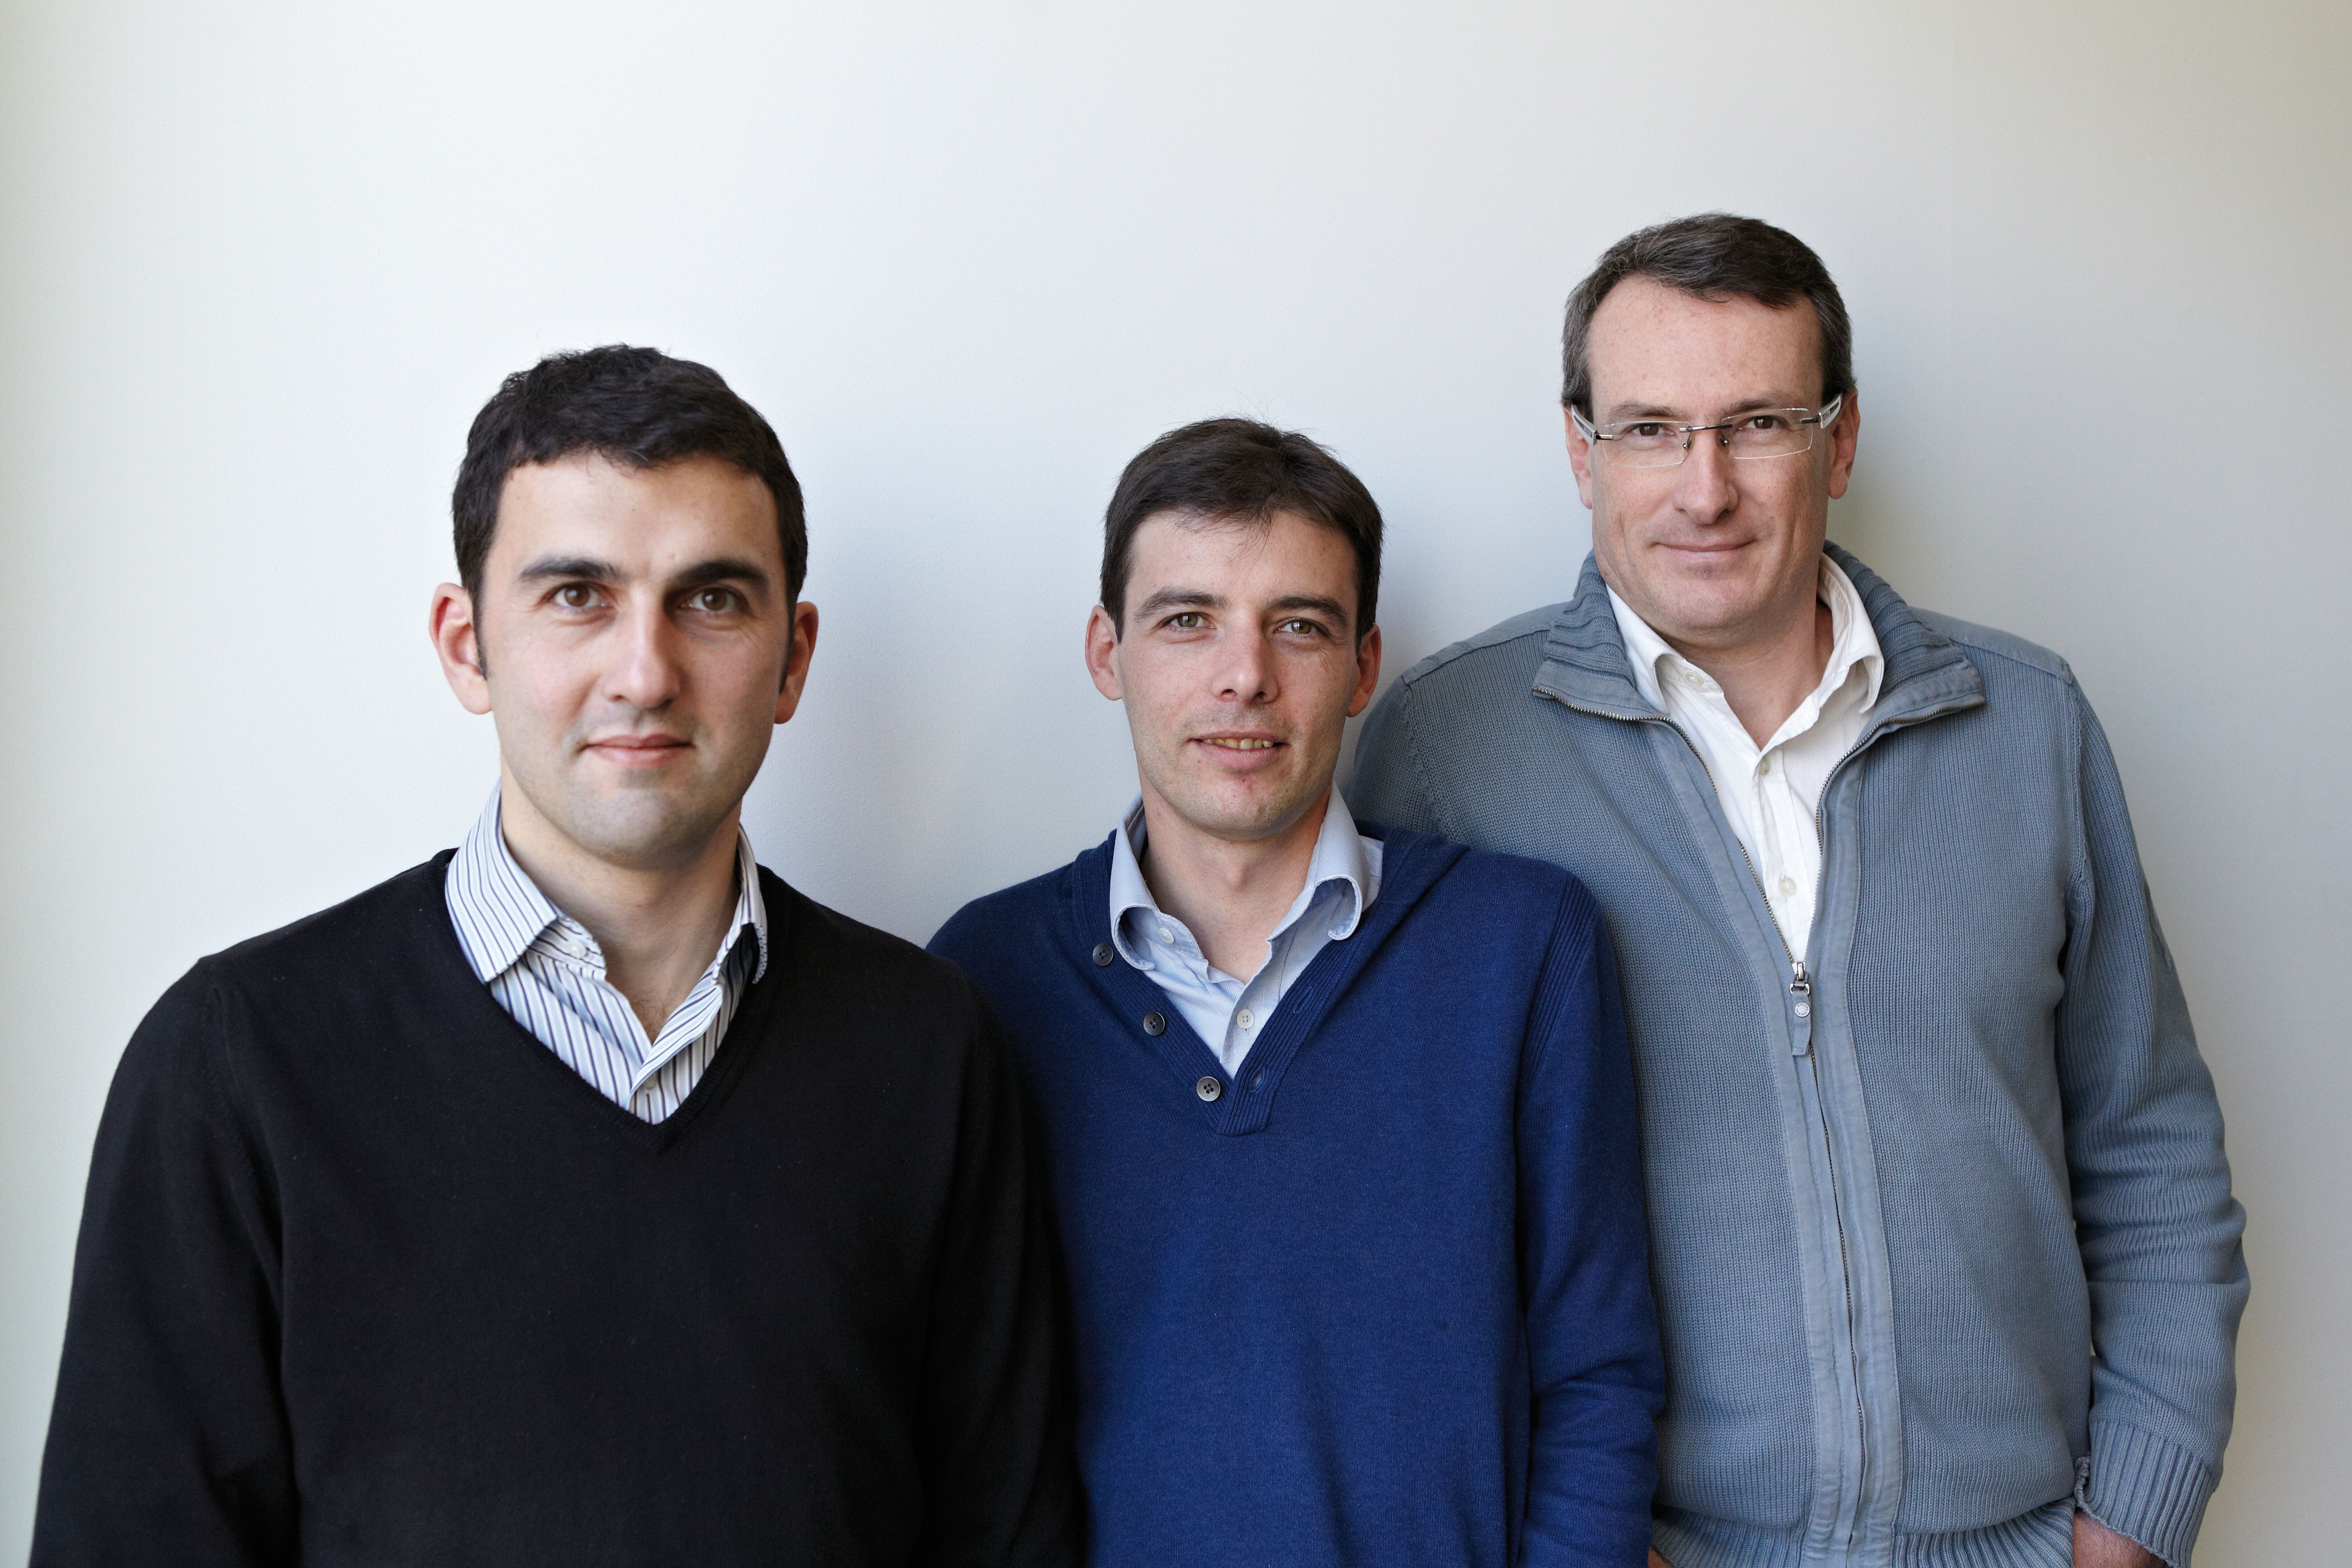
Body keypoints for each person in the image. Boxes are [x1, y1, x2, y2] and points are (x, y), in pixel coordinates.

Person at [32, 345, 1076, 1567]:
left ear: (793, 657)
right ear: (465, 643)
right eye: (577, 595)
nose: (645, 673)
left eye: (711, 599)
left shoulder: (930, 1053)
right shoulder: (238, 1064)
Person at [1351, 215, 2247, 1568]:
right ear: (1580, 452)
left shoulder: (2028, 724)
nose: (1702, 489)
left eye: (1757, 424)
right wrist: (1580, 1538)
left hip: (2023, 1544)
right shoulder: (1447, 749)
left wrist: (2134, 1518)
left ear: (1839, 440)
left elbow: (2151, 1146)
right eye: (1649, 430)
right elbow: (1403, 1218)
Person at [929, 417, 1664, 1568]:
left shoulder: (1523, 947)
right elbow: (959, 1422)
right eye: (1187, 620)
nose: (1245, 676)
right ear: (1107, 652)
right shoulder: (986, 975)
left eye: (1300, 626)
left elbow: (1598, 1378)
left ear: (1364, 666)